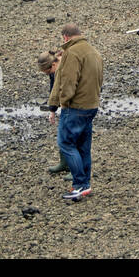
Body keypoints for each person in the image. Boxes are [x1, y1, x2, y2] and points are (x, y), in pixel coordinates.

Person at [48, 23, 103, 201]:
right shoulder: (93, 51)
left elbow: (68, 82)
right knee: (83, 146)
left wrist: (63, 103)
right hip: (91, 105)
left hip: (76, 107)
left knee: (66, 143)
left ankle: (80, 184)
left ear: (65, 37)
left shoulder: (72, 53)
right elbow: (100, 78)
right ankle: (85, 184)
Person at [39, 52, 68, 174]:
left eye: (48, 72)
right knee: (63, 134)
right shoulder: (53, 71)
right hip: (66, 106)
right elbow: (54, 89)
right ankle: (64, 163)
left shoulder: (67, 69)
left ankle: (76, 168)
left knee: (72, 137)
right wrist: (52, 110)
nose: (48, 74)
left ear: (54, 64)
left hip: (76, 104)